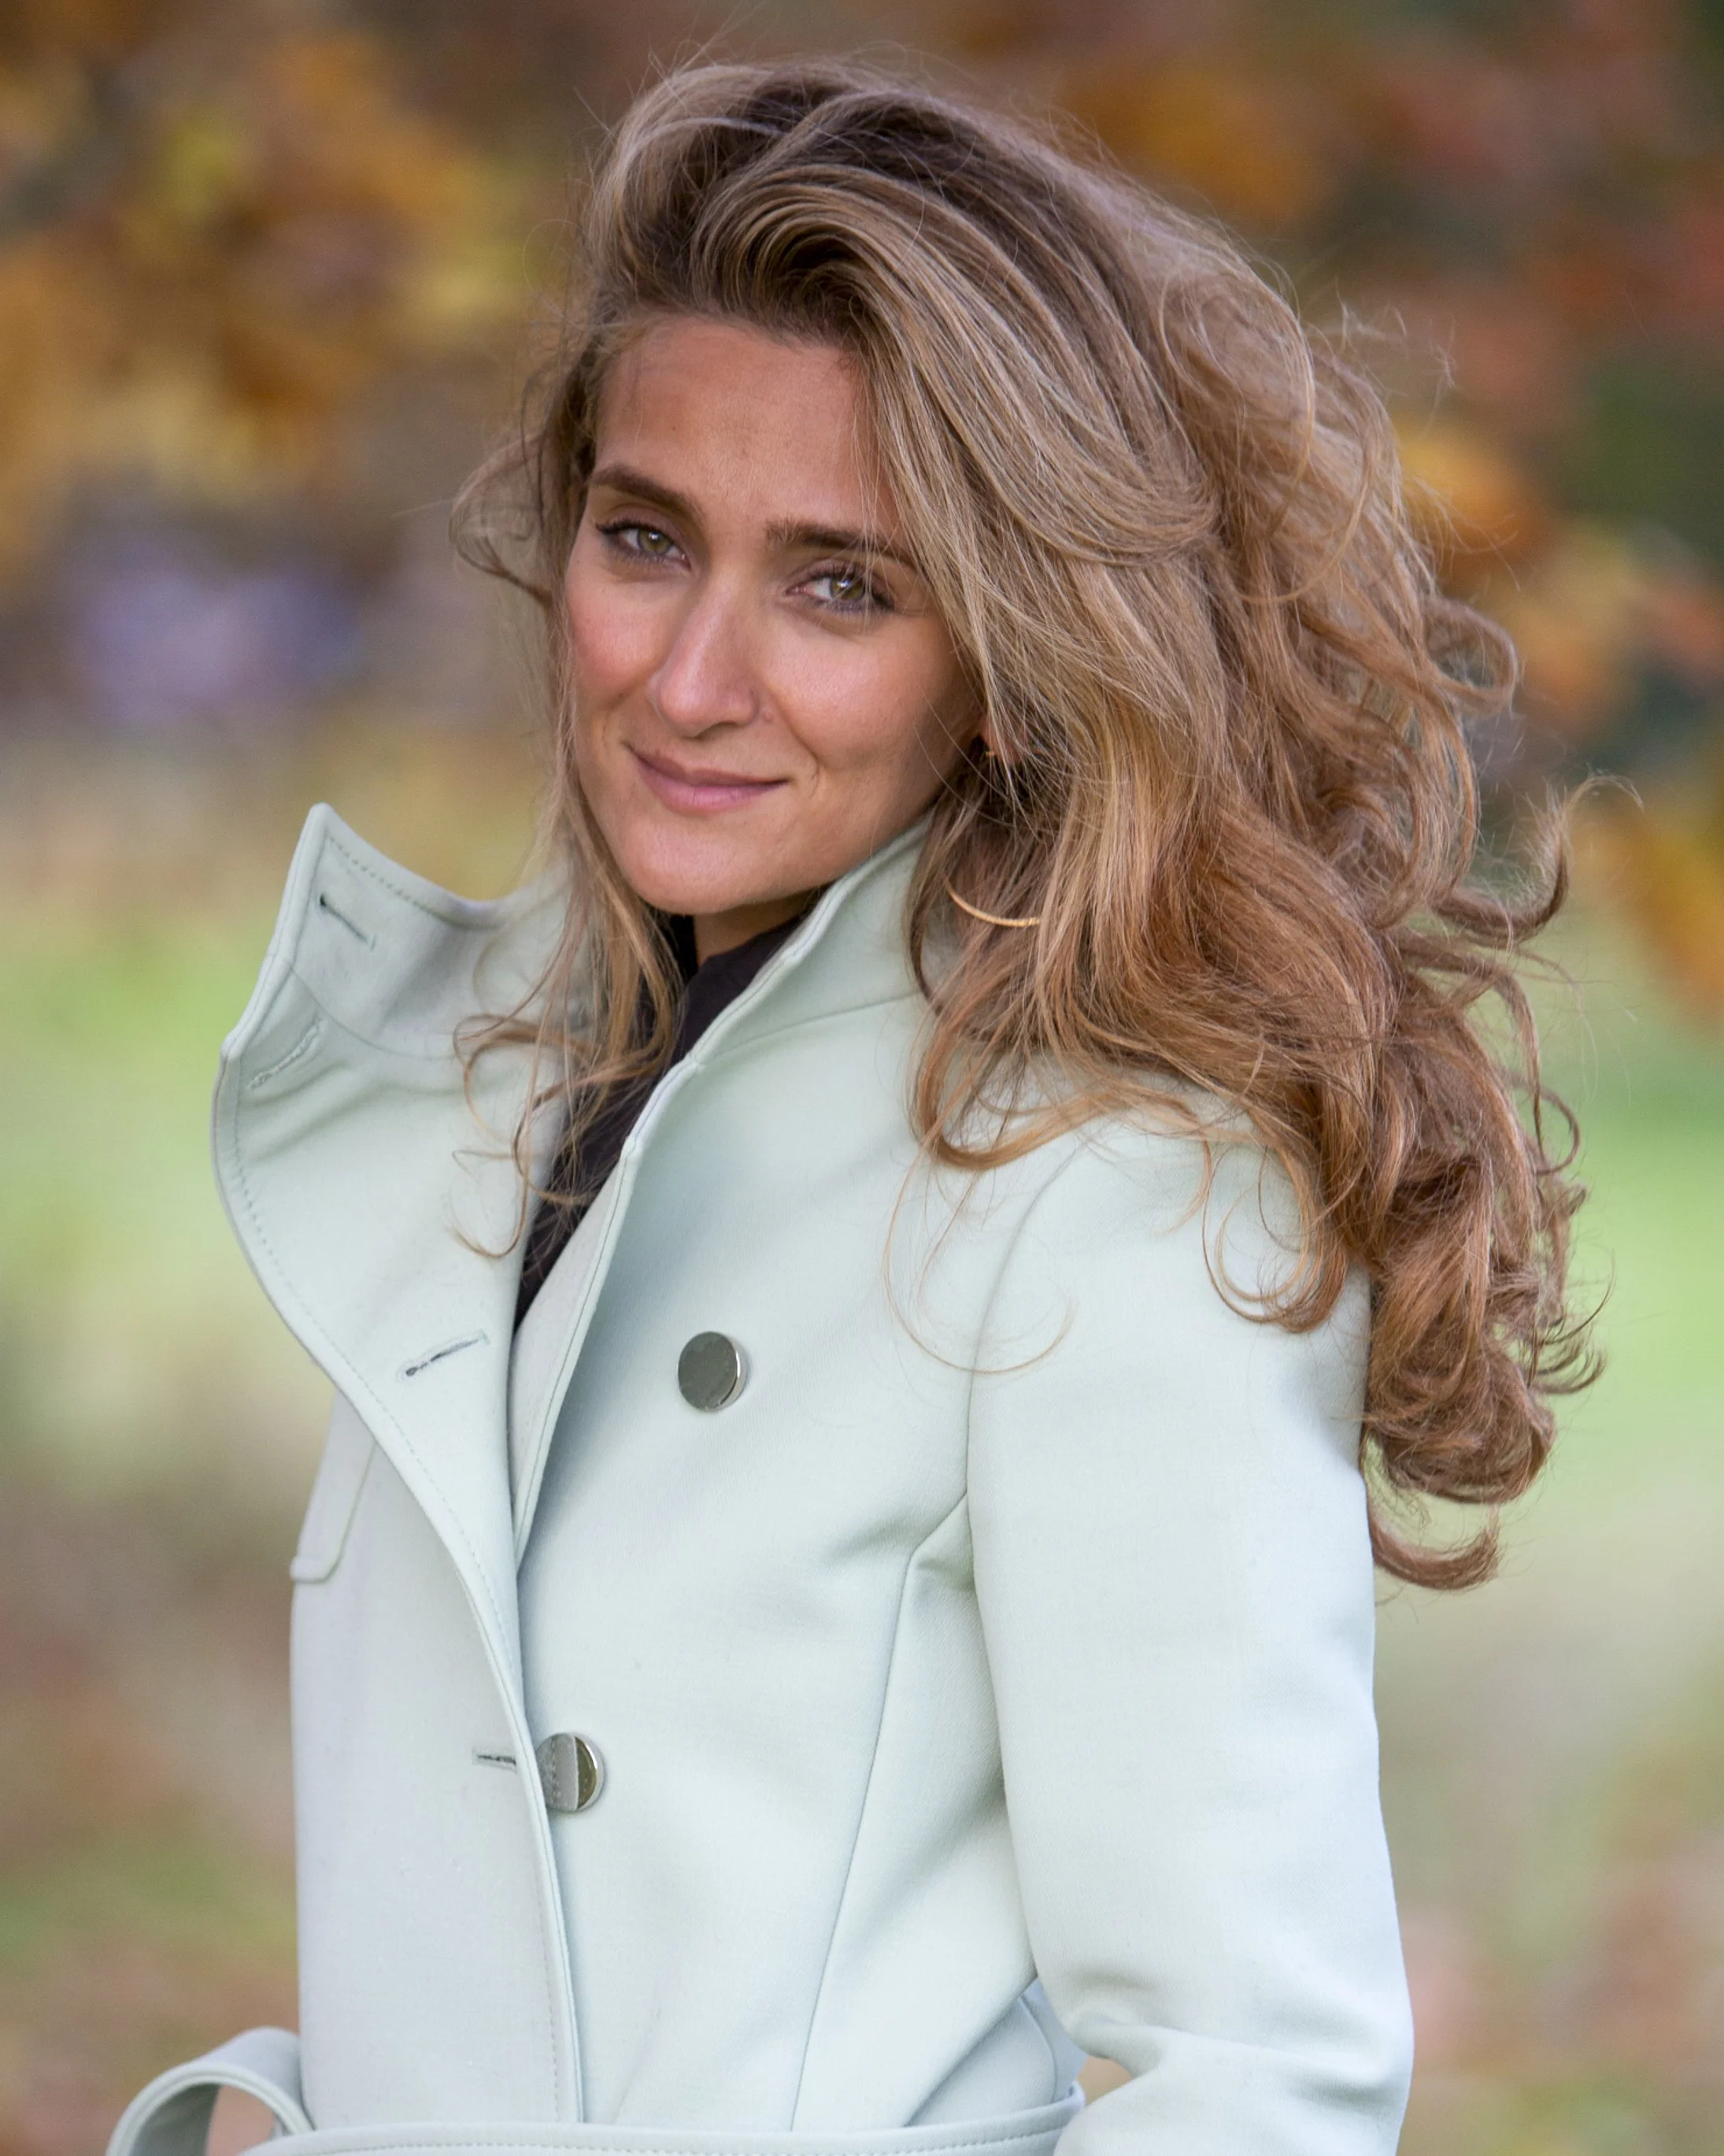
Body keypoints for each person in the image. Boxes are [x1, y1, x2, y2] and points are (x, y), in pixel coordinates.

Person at [106, 57, 1590, 2156]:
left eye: (839, 586)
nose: (693, 679)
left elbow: (1262, 2080)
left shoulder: (1114, 1192)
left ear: (1007, 645)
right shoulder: (502, 1099)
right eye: (646, 539)